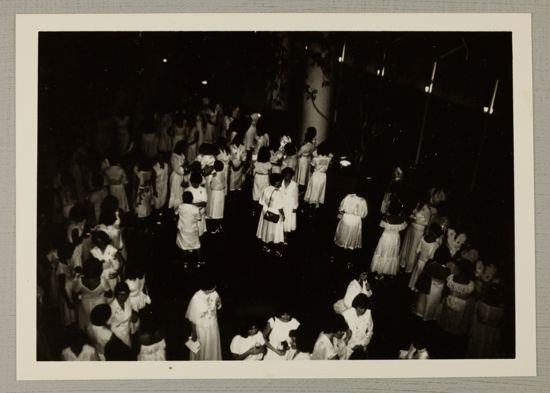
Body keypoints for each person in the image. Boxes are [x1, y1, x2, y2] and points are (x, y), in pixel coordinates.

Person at [185, 274, 222, 360]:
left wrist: (218, 303)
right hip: (201, 329)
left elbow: (218, 306)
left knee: (213, 349)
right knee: (203, 351)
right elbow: (192, 319)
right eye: (213, 287)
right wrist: (194, 334)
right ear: (207, 287)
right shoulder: (196, 298)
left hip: (213, 327)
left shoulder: (214, 293)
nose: (215, 288)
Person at [72, 258, 112, 331]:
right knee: (100, 324)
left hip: (86, 304)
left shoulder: (80, 281)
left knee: (88, 324)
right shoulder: (102, 281)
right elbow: (109, 294)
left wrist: (82, 297)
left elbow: (74, 294)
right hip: (100, 304)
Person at [438, 259, 476, 337]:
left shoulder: (451, 278)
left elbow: (445, 290)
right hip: (462, 306)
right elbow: (471, 296)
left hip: (449, 301)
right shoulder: (471, 283)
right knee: (457, 322)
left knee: (447, 320)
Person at [467, 283, 505, 358]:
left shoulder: (479, 304)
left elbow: (474, 319)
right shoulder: (502, 310)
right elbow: (502, 324)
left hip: (479, 331)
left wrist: (471, 332)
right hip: (492, 334)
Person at [413, 248, 452, 321]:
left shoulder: (430, 264)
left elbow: (423, 274)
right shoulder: (447, 270)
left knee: (422, 302)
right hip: (437, 291)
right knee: (432, 304)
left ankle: (419, 313)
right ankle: (428, 316)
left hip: (427, 287)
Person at [370, 200, 407, 276]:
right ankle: (388, 270)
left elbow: (380, 230)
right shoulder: (401, 220)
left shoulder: (385, 218)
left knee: (382, 252)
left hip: (385, 237)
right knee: (392, 254)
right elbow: (402, 231)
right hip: (395, 238)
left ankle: (379, 269)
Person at [256, 173, 285, 257]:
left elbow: (261, 202)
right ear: (276, 182)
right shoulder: (278, 192)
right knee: (276, 232)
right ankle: (277, 251)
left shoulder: (266, 189)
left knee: (266, 229)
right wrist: (283, 215)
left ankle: (265, 246)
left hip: (265, 212)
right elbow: (280, 207)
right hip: (275, 213)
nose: (281, 183)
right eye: (280, 182)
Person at [409, 223, 443, 291]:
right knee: (421, 276)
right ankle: (417, 288)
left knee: (416, 273)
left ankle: (412, 285)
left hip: (419, 260)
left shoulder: (423, 238)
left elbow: (417, 250)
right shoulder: (435, 245)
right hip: (426, 264)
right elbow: (431, 256)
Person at [400, 200, 432, 272]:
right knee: (408, 246)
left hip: (418, 231)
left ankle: (410, 267)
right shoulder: (419, 205)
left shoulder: (427, 210)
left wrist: (416, 220)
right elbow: (414, 212)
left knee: (413, 248)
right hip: (411, 229)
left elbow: (426, 223)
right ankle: (404, 263)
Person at [341, 293, 374, 360]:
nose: (363, 310)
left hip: (362, 348)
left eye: (364, 308)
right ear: (356, 306)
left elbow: (370, 332)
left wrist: (363, 344)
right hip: (347, 349)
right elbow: (341, 335)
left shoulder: (368, 314)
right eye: (360, 308)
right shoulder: (346, 315)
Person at [176, 191, 202, 268]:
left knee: (183, 246)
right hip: (193, 230)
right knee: (197, 245)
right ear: (192, 199)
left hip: (183, 230)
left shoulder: (180, 206)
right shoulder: (195, 209)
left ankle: (185, 263)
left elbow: (175, 213)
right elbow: (199, 218)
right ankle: (198, 262)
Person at [109, 282, 137, 348]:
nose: (123, 297)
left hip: (127, 333)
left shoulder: (127, 301)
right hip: (117, 336)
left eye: (125, 294)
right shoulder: (111, 307)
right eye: (120, 294)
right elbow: (108, 325)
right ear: (116, 294)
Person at [304, 142, 332, 208]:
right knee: (319, 190)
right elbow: (329, 167)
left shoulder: (315, 158)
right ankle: (316, 205)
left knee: (312, 189)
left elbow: (311, 168)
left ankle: (310, 205)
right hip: (323, 176)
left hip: (316, 175)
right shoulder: (328, 159)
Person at [184, 172, 208, 239]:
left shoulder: (203, 189)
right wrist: (197, 204)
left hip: (200, 212)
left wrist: (192, 204)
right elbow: (185, 204)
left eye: (197, 183)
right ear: (191, 182)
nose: (195, 184)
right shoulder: (187, 190)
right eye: (194, 183)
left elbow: (204, 203)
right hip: (191, 214)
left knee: (199, 231)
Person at [205, 160, 226, 234]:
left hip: (216, 194)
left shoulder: (215, 176)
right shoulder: (223, 174)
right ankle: (220, 225)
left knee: (215, 211)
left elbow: (211, 186)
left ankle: (216, 228)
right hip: (221, 194)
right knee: (219, 210)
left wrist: (210, 182)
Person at [280, 167, 299, 241]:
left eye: (289, 175)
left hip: (289, 205)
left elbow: (296, 197)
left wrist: (295, 207)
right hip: (281, 203)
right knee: (281, 219)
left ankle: (285, 235)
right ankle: (279, 233)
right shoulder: (280, 182)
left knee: (287, 220)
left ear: (291, 176)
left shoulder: (294, 185)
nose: (287, 177)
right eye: (286, 175)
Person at [168, 140, 186, 209]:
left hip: (181, 176)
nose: (184, 149)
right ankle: (174, 210)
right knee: (176, 194)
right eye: (183, 147)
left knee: (180, 193)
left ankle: (179, 210)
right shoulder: (174, 156)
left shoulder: (182, 155)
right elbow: (178, 169)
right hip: (176, 177)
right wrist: (185, 167)